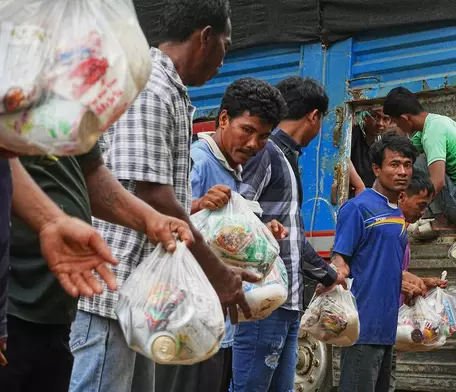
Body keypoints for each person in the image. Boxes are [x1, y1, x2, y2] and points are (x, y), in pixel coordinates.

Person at [68, 2, 258, 392]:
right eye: (225, 44)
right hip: (111, 289)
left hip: (139, 295)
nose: (225, 58)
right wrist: (216, 274)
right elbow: (153, 195)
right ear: (204, 38)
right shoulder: (153, 88)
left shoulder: (169, 90)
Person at [1, 143, 193, 392]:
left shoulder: (71, 109)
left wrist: (149, 219)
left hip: (56, 302)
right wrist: (50, 220)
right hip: (13, 297)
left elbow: (90, 172)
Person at [155, 77, 287, 392]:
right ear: (224, 118)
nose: (254, 144)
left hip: (215, 324)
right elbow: (164, 221)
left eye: (264, 136)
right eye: (248, 130)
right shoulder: (198, 162)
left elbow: (221, 235)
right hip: (183, 321)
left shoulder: (232, 169)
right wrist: (199, 202)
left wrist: (260, 233)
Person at [234, 76, 346, 392]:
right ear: (314, 116)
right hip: (262, 300)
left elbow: (293, 240)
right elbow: (237, 210)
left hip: (287, 302)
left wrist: (328, 275)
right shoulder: (266, 152)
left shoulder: (286, 158)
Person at [330, 131, 417, 392]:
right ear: (376, 168)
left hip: (387, 328)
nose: (402, 171)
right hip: (362, 327)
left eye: (407, 165)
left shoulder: (398, 214)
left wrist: (416, 285)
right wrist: (337, 271)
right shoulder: (358, 208)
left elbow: (386, 267)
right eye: (394, 164)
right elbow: (339, 258)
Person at [383, 87, 456, 232]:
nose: (397, 127)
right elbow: (404, 152)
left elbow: (438, 182)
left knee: (421, 162)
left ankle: (438, 217)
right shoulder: (435, 123)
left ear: (405, 118)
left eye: (396, 122)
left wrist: (412, 211)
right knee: (408, 160)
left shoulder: (432, 133)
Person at [389, 170, 447, 392]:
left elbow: (398, 272)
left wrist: (421, 281)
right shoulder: (389, 230)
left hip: (390, 322)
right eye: (421, 205)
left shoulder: (401, 231)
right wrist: (403, 282)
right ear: (402, 197)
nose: (423, 213)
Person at [351, 105, 391, 193]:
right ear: (365, 117)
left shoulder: (383, 142)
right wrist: (359, 186)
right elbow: (344, 159)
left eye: (385, 119)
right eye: (376, 117)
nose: (380, 123)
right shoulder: (353, 134)